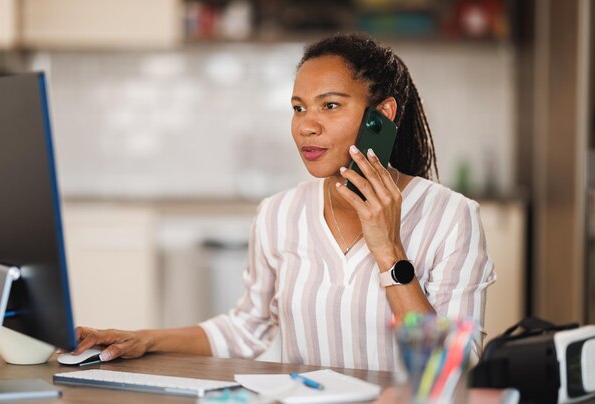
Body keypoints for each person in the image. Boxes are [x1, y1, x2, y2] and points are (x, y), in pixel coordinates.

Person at [74, 33, 496, 371]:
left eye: (330, 106)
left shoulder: (451, 217)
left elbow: (450, 367)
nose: (306, 127)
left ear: (380, 116)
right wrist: (145, 339)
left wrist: (388, 250)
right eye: (298, 108)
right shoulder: (279, 213)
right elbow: (246, 329)